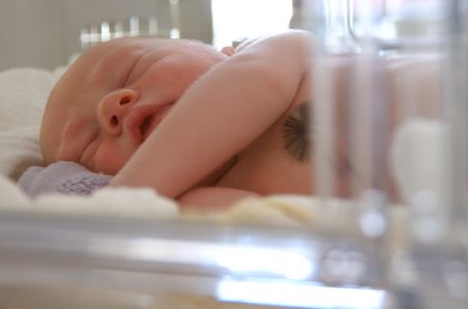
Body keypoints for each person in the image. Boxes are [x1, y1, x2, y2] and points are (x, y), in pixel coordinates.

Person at [39, 31, 313, 209]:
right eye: (88, 144)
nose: (108, 109)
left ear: (224, 53)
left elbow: (258, 80)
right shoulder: (199, 206)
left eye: (130, 70)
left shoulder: (274, 54)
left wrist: (121, 201)